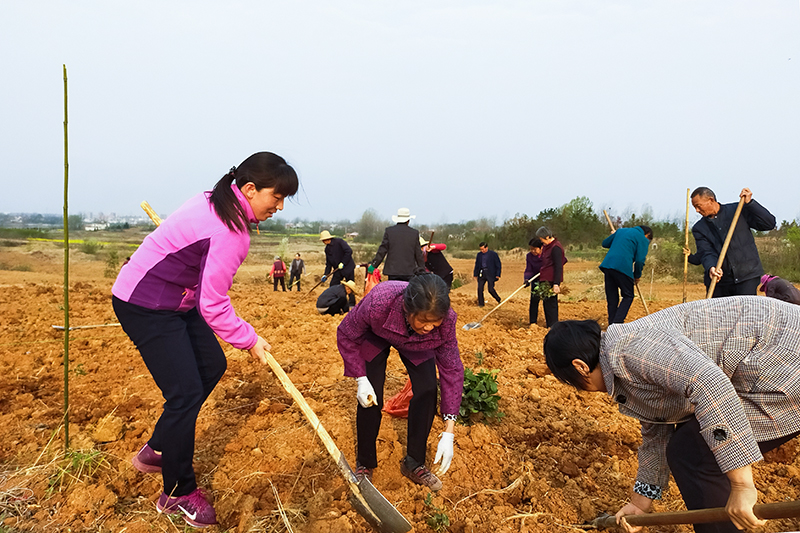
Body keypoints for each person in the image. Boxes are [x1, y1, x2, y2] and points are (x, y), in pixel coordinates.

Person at [112, 152, 298, 528]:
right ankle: (177, 492)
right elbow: (214, 306)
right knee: (184, 394)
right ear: (249, 189)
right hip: (145, 301)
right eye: (275, 197)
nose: (279, 207)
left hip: (179, 297)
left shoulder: (216, 199)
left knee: (211, 366)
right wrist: (250, 339)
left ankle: (157, 450)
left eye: (283, 200)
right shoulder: (230, 232)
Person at [543, 296, 800, 533]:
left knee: (693, 455)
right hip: (769, 361)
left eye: (571, 381)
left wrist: (742, 485)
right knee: (688, 447)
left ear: (580, 367)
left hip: (783, 359)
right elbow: (657, 428)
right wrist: (640, 504)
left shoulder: (630, 350)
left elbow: (708, 383)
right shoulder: (622, 365)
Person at [337, 274, 464, 492]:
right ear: (407, 309)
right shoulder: (379, 302)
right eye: (424, 321)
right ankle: (365, 463)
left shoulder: (444, 322)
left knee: (426, 388)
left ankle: (414, 463)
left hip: (417, 345)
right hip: (377, 335)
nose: (429, 327)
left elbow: (451, 368)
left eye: (435, 323)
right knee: (370, 395)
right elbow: (347, 334)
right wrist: (360, 378)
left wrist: (449, 429)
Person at [689, 187, 776, 297]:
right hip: (720, 282)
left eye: (698, 206)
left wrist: (750, 203)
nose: (697, 210)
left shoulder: (738, 210)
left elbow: (769, 223)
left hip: (747, 276)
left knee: (747, 313)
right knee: (718, 313)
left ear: (711, 200)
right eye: (695, 207)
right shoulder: (699, 228)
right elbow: (706, 252)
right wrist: (712, 267)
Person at [599, 225, 653, 324]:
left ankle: (612, 324)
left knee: (612, 298)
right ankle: (618, 323)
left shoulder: (621, 231)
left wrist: (615, 236)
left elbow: (605, 243)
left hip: (608, 266)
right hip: (623, 268)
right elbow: (640, 260)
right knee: (628, 296)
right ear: (647, 234)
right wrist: (637, 275)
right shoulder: (643, 239)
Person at [369, 208, 425, 282]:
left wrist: (374, 265)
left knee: (393, 292)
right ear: (408, 220)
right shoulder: (414, 233)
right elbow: (418, 254)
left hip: (392, 271)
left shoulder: (389, 231)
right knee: (407, 292)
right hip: (408, 272)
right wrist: (422, 269)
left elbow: (382, 250)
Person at [535, 226, 566, 327]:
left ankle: (553, 326)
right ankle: (549, 325)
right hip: (545, 278)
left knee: (551, 304)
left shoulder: (555, 247)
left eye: (542, 240)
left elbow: (558, 266)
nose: (542, 242)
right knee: (546, 303)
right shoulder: (547, 247)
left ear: (548, 237)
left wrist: (556, 284)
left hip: (552, 279)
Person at [320, 230, 357, 305]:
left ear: (327, 239)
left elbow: (349, 251)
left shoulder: (339, 242)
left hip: (348, 268)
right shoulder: (327, 249)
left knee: (350, 286)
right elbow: (328, 263)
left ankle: (352, 304)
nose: (323, 242)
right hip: (337, 270)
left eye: (324, 240)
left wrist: (343, 262)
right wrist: (326, 274)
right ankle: (334, 302)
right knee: (333, 285)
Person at [472, 242, 502, 307]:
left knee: (490, 289)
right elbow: (477, 265)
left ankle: (498, 299)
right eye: (481, 249)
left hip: (491, 274)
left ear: (486, 247)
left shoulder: (493, 254)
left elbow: (498, 265)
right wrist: (475, 274)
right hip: (482, 273)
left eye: (483, 249)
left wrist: (498, 274)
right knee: (480, 288)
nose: (482, 251)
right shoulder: (479, 255)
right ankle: (481, 304)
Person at [523, 238, 543, 326]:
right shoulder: (529, 256)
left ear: (541, 248)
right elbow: (529, 269)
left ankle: (551, 323)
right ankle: (533, 322)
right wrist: (527, 279)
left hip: (546, 279)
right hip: (535, 280)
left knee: (548, 302)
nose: (532, 251)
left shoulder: (547, 255)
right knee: (534, 300)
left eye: (535, 249)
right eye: (531, 249)